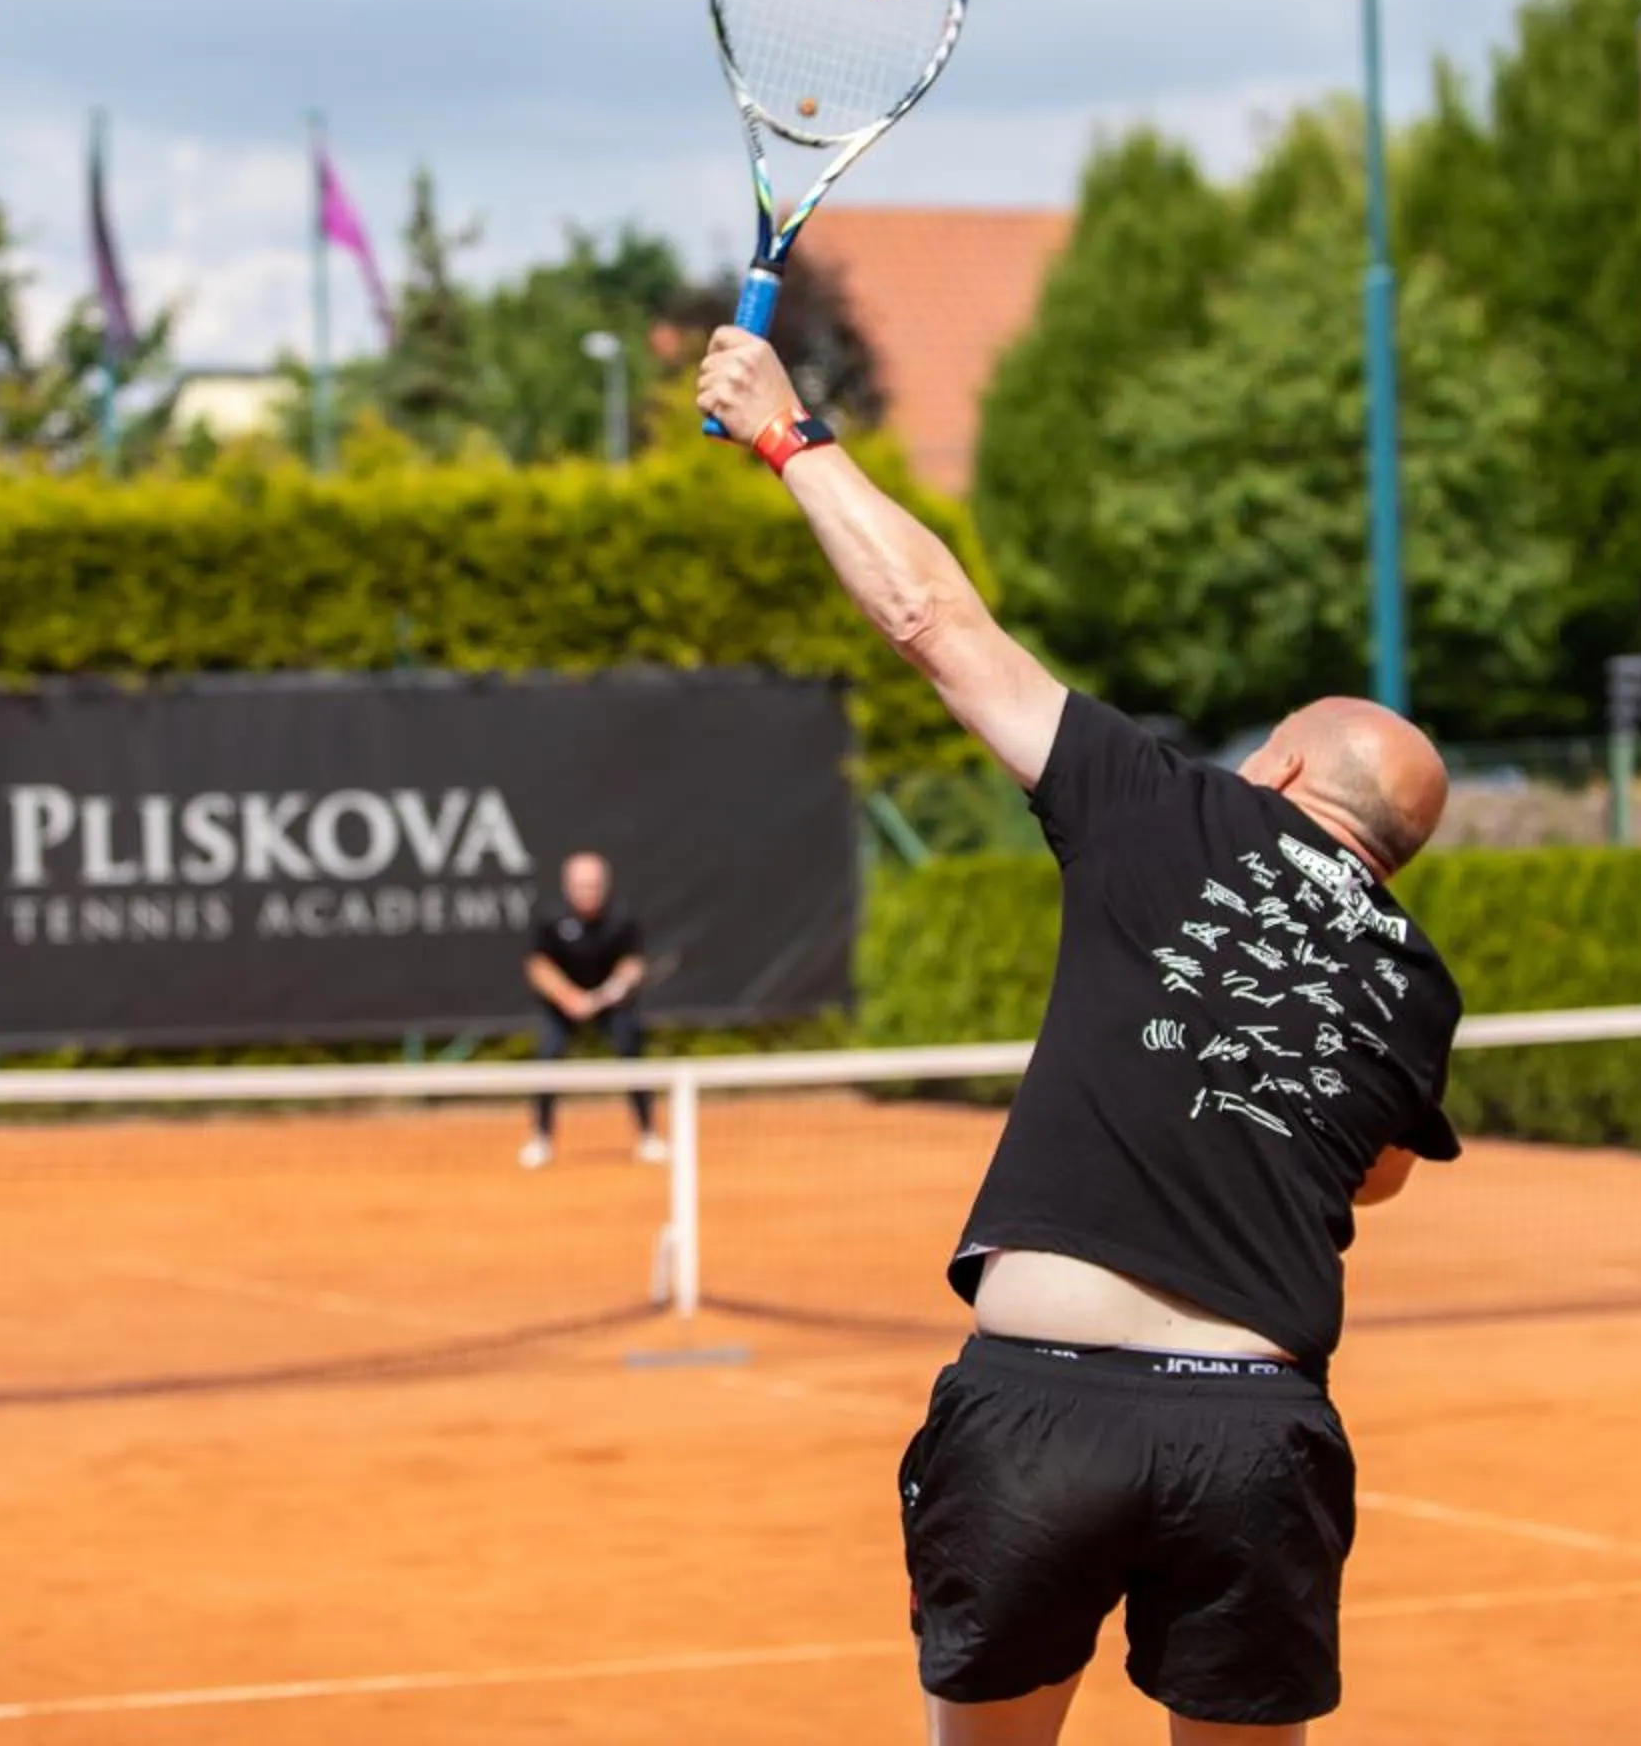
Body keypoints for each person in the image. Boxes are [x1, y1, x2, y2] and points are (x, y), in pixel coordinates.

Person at [696, 329, 1462, 1744]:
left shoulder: (1171, 810)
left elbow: (935, 618)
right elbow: (1372, 1177)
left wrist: (789, 435)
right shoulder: (1414, 979)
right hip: (1258, 1432)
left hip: (1046, 1406)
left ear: (1282, 767)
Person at [519, 851, 664, 1170]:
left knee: (630, 1048)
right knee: (547, 1055)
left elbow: (632, 963)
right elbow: (538, 966)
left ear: (605, 885)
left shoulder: (622, 918)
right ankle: (541, 1138)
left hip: (611, 1004)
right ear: (568, 886)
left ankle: (648, 1134)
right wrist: (569, 997)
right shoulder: (550, 918)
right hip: (562, 1002)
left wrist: (611, 991)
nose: (589, 892)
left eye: (595, 885)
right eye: (582, 886)